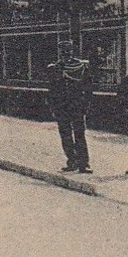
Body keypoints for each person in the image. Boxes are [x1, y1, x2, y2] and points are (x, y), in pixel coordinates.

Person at [48, 41, 91, 173]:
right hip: (67, 107)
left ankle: (81, 163)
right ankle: (76, 162)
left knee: (76, 134)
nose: (65, 54)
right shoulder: (60, 67)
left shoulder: (76, 66)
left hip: (73, 106)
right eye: (64, 51)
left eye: (67, 51)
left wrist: (85, 106)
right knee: (70, 135)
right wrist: (54, 107)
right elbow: (53, 90)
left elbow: (88, 88)